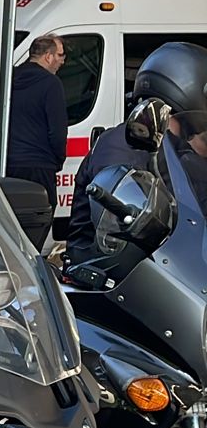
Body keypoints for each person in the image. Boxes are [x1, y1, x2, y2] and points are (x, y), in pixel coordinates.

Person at [68, 40, 207, 267]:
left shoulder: (173, 146)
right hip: (108, 270)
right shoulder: (124, 145)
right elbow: (120, 216)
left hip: (164, 266)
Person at [6, 32, 68, 206]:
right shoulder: (51, 84)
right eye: (60, 55)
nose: (62, 61)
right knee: (39, 217)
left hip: (8, 165)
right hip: (40, 166)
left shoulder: (9, 79)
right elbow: (57, 132)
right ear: (48, 57)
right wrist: (57, 160)